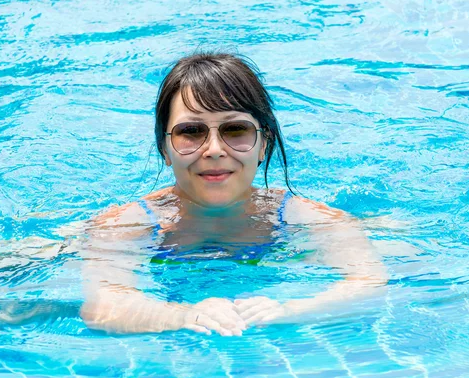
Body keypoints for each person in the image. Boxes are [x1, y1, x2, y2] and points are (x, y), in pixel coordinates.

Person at [80, 51, 387, 337]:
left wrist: (291, 310)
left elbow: (369, 284)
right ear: (165, 149)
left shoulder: (305, 218)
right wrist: (181, 316)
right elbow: (101, 307)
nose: (214, 150)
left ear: (263, 144)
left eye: (236, 130)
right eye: (191, 132)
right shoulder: (127, 226)